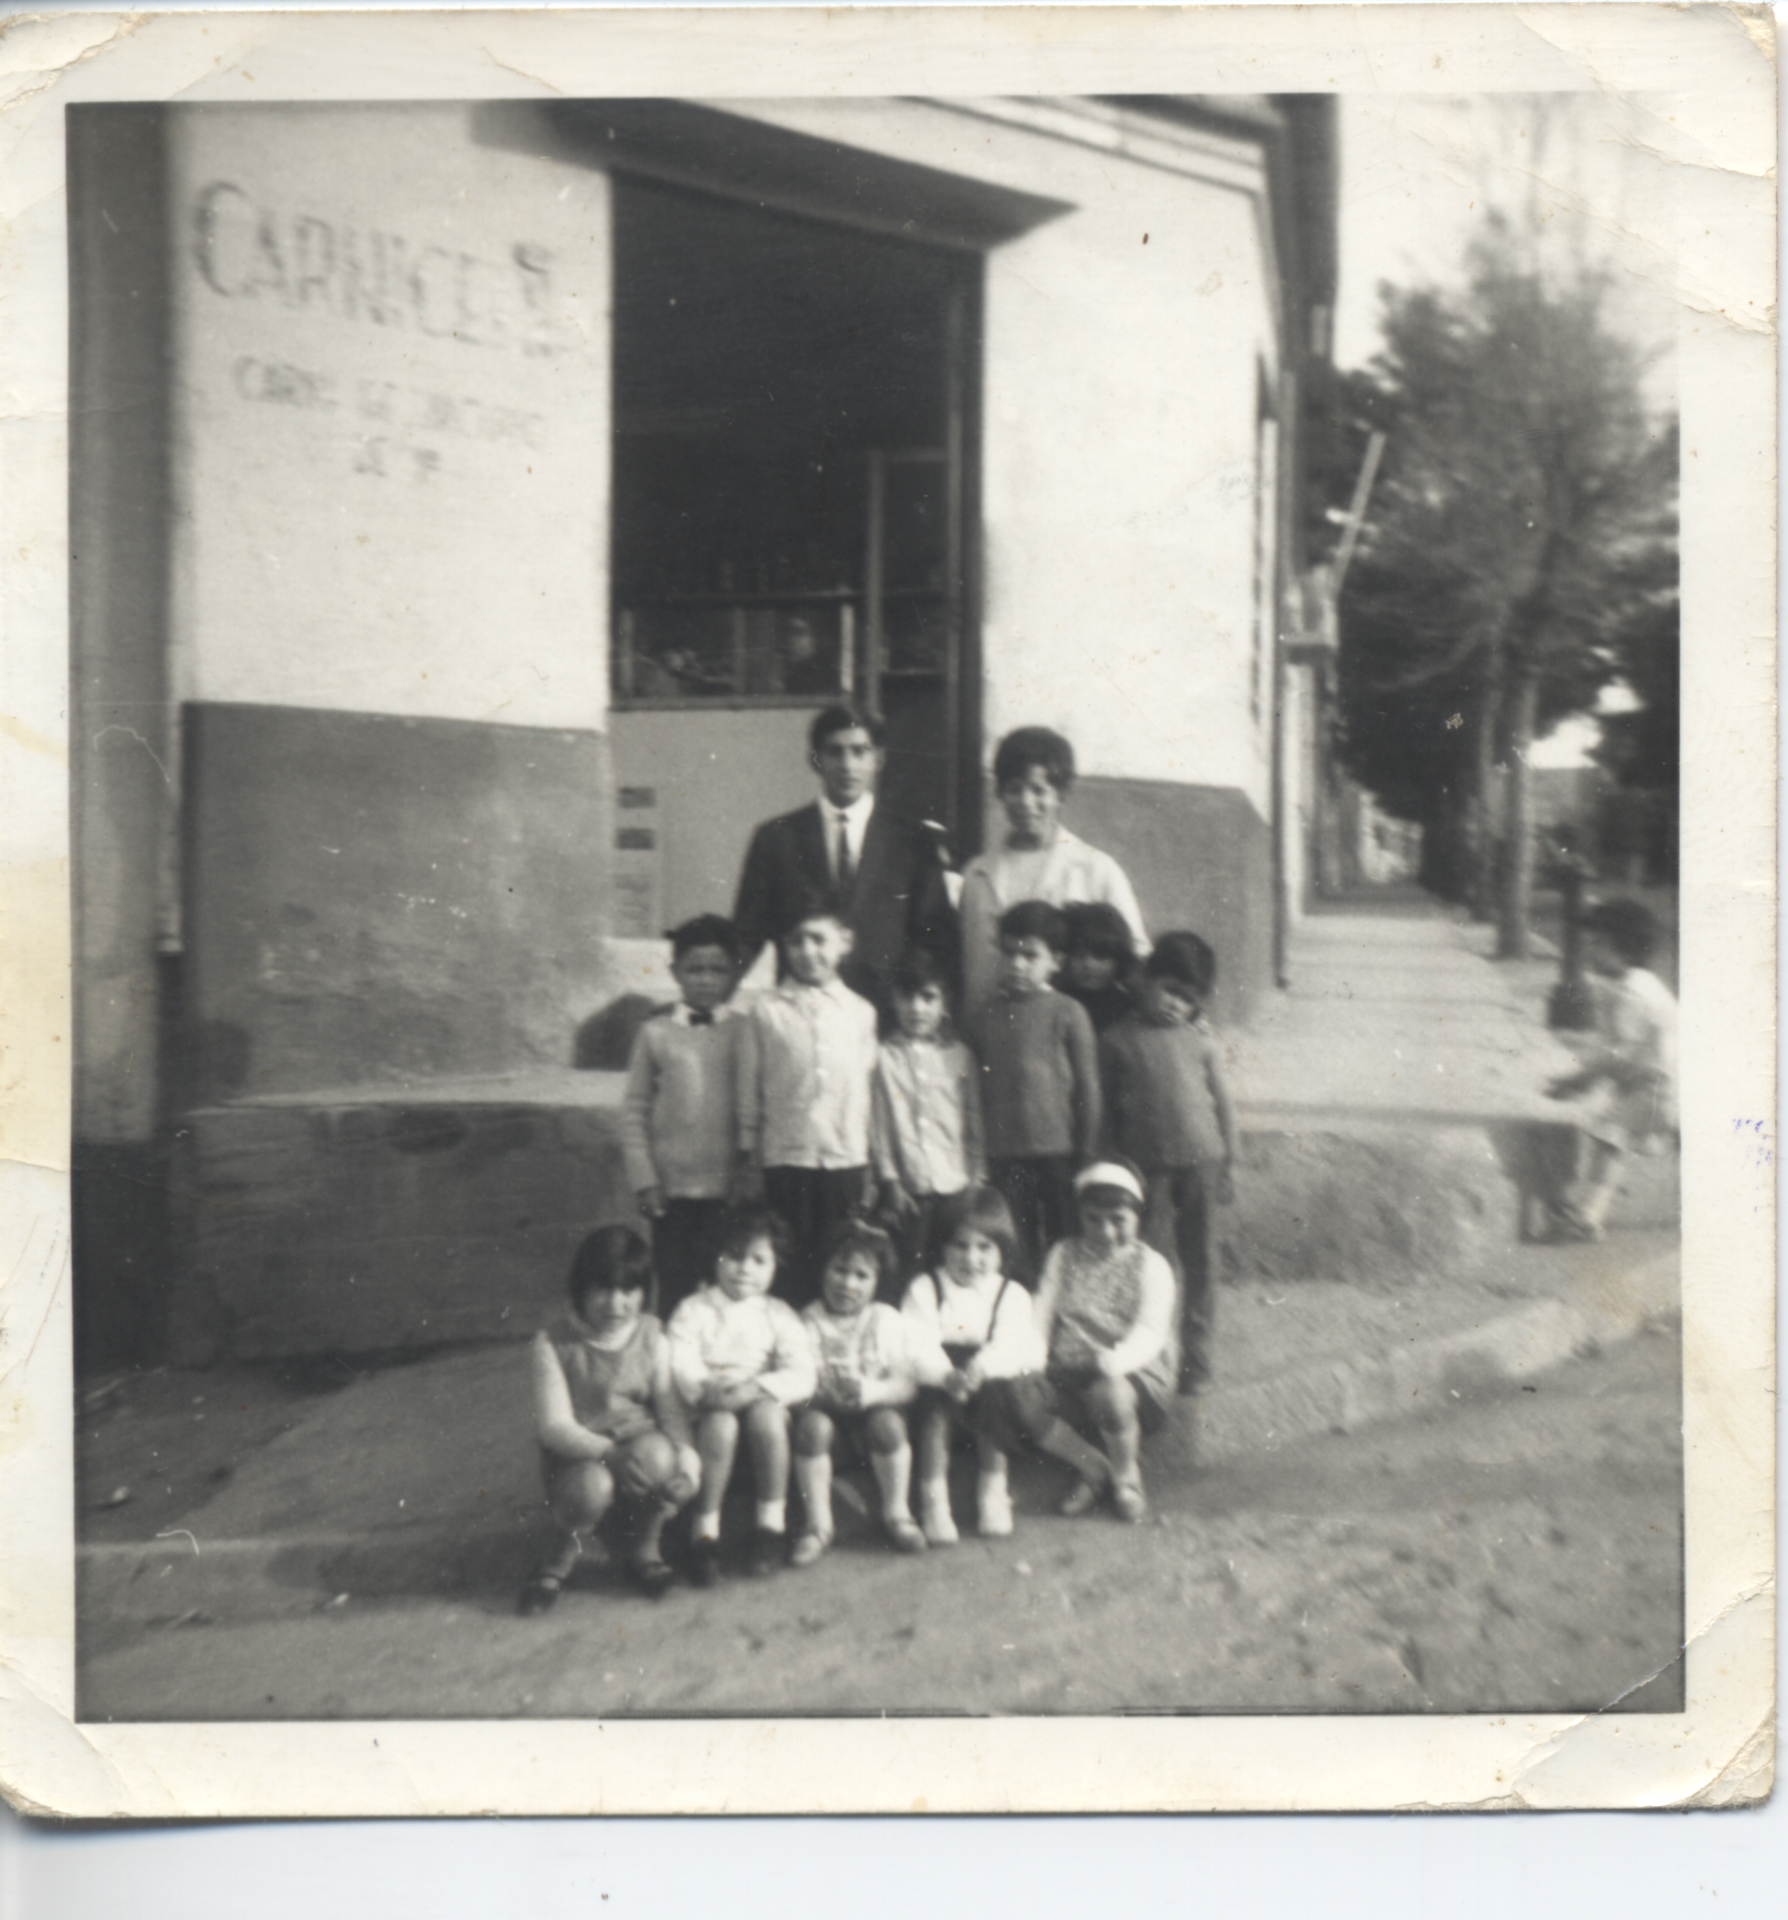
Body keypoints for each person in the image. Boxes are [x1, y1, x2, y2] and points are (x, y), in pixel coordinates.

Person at [732, 702, 959, 1014]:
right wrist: (708, 1002)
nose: (847, 765)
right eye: (835, 752)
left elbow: (935, 941)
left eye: (859, 751)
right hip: (801, 1016)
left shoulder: (913, 840)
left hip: (886, 1016)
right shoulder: (776, 838)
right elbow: (746, 935)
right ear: (815, 760)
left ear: (878, 759)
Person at [520, 1226, 701, 1613]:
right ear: (580, 1289)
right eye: (603, 1289)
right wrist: (609, 1453)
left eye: (629, 1290)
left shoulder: (652, 1334)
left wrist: (688, 1464)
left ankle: (645, 1550)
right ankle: (562, 1557)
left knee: (661, 1455)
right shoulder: (553, 1342)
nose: (616, 1304)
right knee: (592, 1486)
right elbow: (554, 1427)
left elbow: (670, 1410)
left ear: (643, 1292)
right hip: (578, 1455)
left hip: (637, 1448)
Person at [1099, 931, 1239, 1393]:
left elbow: (1223, 1103)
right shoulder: (1116, 1039)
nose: (1175, 1005)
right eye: (1169, 990)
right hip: (1146, 1170)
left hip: (1202, 1162)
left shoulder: (1202, 1041)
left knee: (1200, 1261)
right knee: (1152, 1266)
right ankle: (1152, 1359)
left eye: (1188, 998)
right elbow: (1105, 1113)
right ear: (1145, 979)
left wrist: (1232, 1163)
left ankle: (1196, 1362)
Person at [735, 893, 880, 1305]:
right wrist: (750, 1157)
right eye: (796, 941)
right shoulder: (764, 1012)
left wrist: (869, 1161)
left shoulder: (861, 1013)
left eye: (819, 939)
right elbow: (750, 1092)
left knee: (839, 1261)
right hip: (786, 1160)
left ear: (845, 942)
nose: (806, 952)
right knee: (788, 1265)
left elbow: (866, 1093)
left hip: (845, 1161)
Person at [666, 1207, 817, 1584]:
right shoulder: (693, 1309)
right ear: (715, 1257)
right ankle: (704, 1532)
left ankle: (770, 1527)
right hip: (710, 1403)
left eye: (758, 1260)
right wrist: (705, 1389)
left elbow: (803, 1371)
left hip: (758, 1401)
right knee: (718, 1424)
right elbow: (680, 1359)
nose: (744, 1269)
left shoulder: (778, 1313)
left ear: (775, 1265)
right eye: (734, 1257)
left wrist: (755, 1388)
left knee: (766, 1416)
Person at [958, 726, 1148, 1021]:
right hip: (988, 1036)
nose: (1026, 802)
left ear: (1060, 795)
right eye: (1014, 789)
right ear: (1000, 793)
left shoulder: (1095, 869)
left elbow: (1136, 958)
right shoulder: (977, 874)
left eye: (1039, 790)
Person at [1033, 1161, 1178, 1523]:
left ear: (1137, 1218)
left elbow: (1150, 1331)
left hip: (1131, 1371)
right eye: (1093, 1219)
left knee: (1107, 1395)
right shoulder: (1063, 1254)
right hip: (1069, 1367)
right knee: (1019, 1396)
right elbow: (1041, 1313)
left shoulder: (1152, 1265)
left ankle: (1126, 1476)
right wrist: (1033, 1361)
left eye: (1118, 1220)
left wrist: (1112, 1362)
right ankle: (1094, 1467)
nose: (1105, 1231)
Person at [620, 913, 748, 1315]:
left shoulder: (747, 1031)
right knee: (675, 1289)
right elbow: (634, 1110)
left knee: (728, 1290)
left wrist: (750, 1172)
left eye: (717, 970)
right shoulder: (655, 1033)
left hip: (729, 1192)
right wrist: (645, 1179)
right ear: (675, 971)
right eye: (694, 969)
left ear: (734, 973)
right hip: (672, 1193)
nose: (706, 980)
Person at [967, 900, 1102, 1272]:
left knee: (1065, 1240)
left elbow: (1088, 1088)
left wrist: (1087, 1151)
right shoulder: (985, 1016)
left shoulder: (1068, 1012)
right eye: (1009, 953)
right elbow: (974, 1089)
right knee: (1016, 1242)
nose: (1017, 964)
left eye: (1030, 955)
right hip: (1005, 1153)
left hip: (1059, 1152)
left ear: (1056, 961)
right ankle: (1023, 1313)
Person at [1541, 898, 1679, 1242]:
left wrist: (1578, 1081)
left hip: (1658, 1085)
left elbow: (1618, 1053)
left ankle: (1587, 1217)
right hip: (1673, 1080)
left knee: (1607, 1134)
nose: (1590, 950)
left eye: (1599, 944)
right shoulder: (1641, 983)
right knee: (1680, 1139)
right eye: (1590, 941)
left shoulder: (1631, 994)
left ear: (1627, 951)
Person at [790, 1222, 927, 1564]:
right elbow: (797, 1379)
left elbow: (907, 1384)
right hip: (829, 1437)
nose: (847, 1283)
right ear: (823, 1270)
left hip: (875, 1432)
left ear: (877, 1282)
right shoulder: (806, 1320)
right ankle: (818, 1525)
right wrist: (818, 1394)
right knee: (812, 1426)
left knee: (888, 1423)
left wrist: (869, 1392)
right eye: (839, 1270)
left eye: (861, 1276)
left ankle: (898, 1514)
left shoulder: (885, 1319)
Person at [870, 946, 985, 1281]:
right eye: (907, 997)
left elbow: (973, 1120)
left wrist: (977, 1179)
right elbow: (878, 1126)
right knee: (912, 1270)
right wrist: (890, 1181)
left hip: (957, 1184)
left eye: (928, 997)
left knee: (952, 1268)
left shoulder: (959, 1056)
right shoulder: (883, 1057)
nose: (917, 1008)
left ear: (944, 1002)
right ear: (893, 1000)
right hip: (910, 1190)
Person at [1058, 901, 1142, 1033]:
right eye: (1078, 955)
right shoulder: (1059, 1000)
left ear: (1119, 958)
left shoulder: (1128, 1006)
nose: (1088, 965)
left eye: (1100, 956)